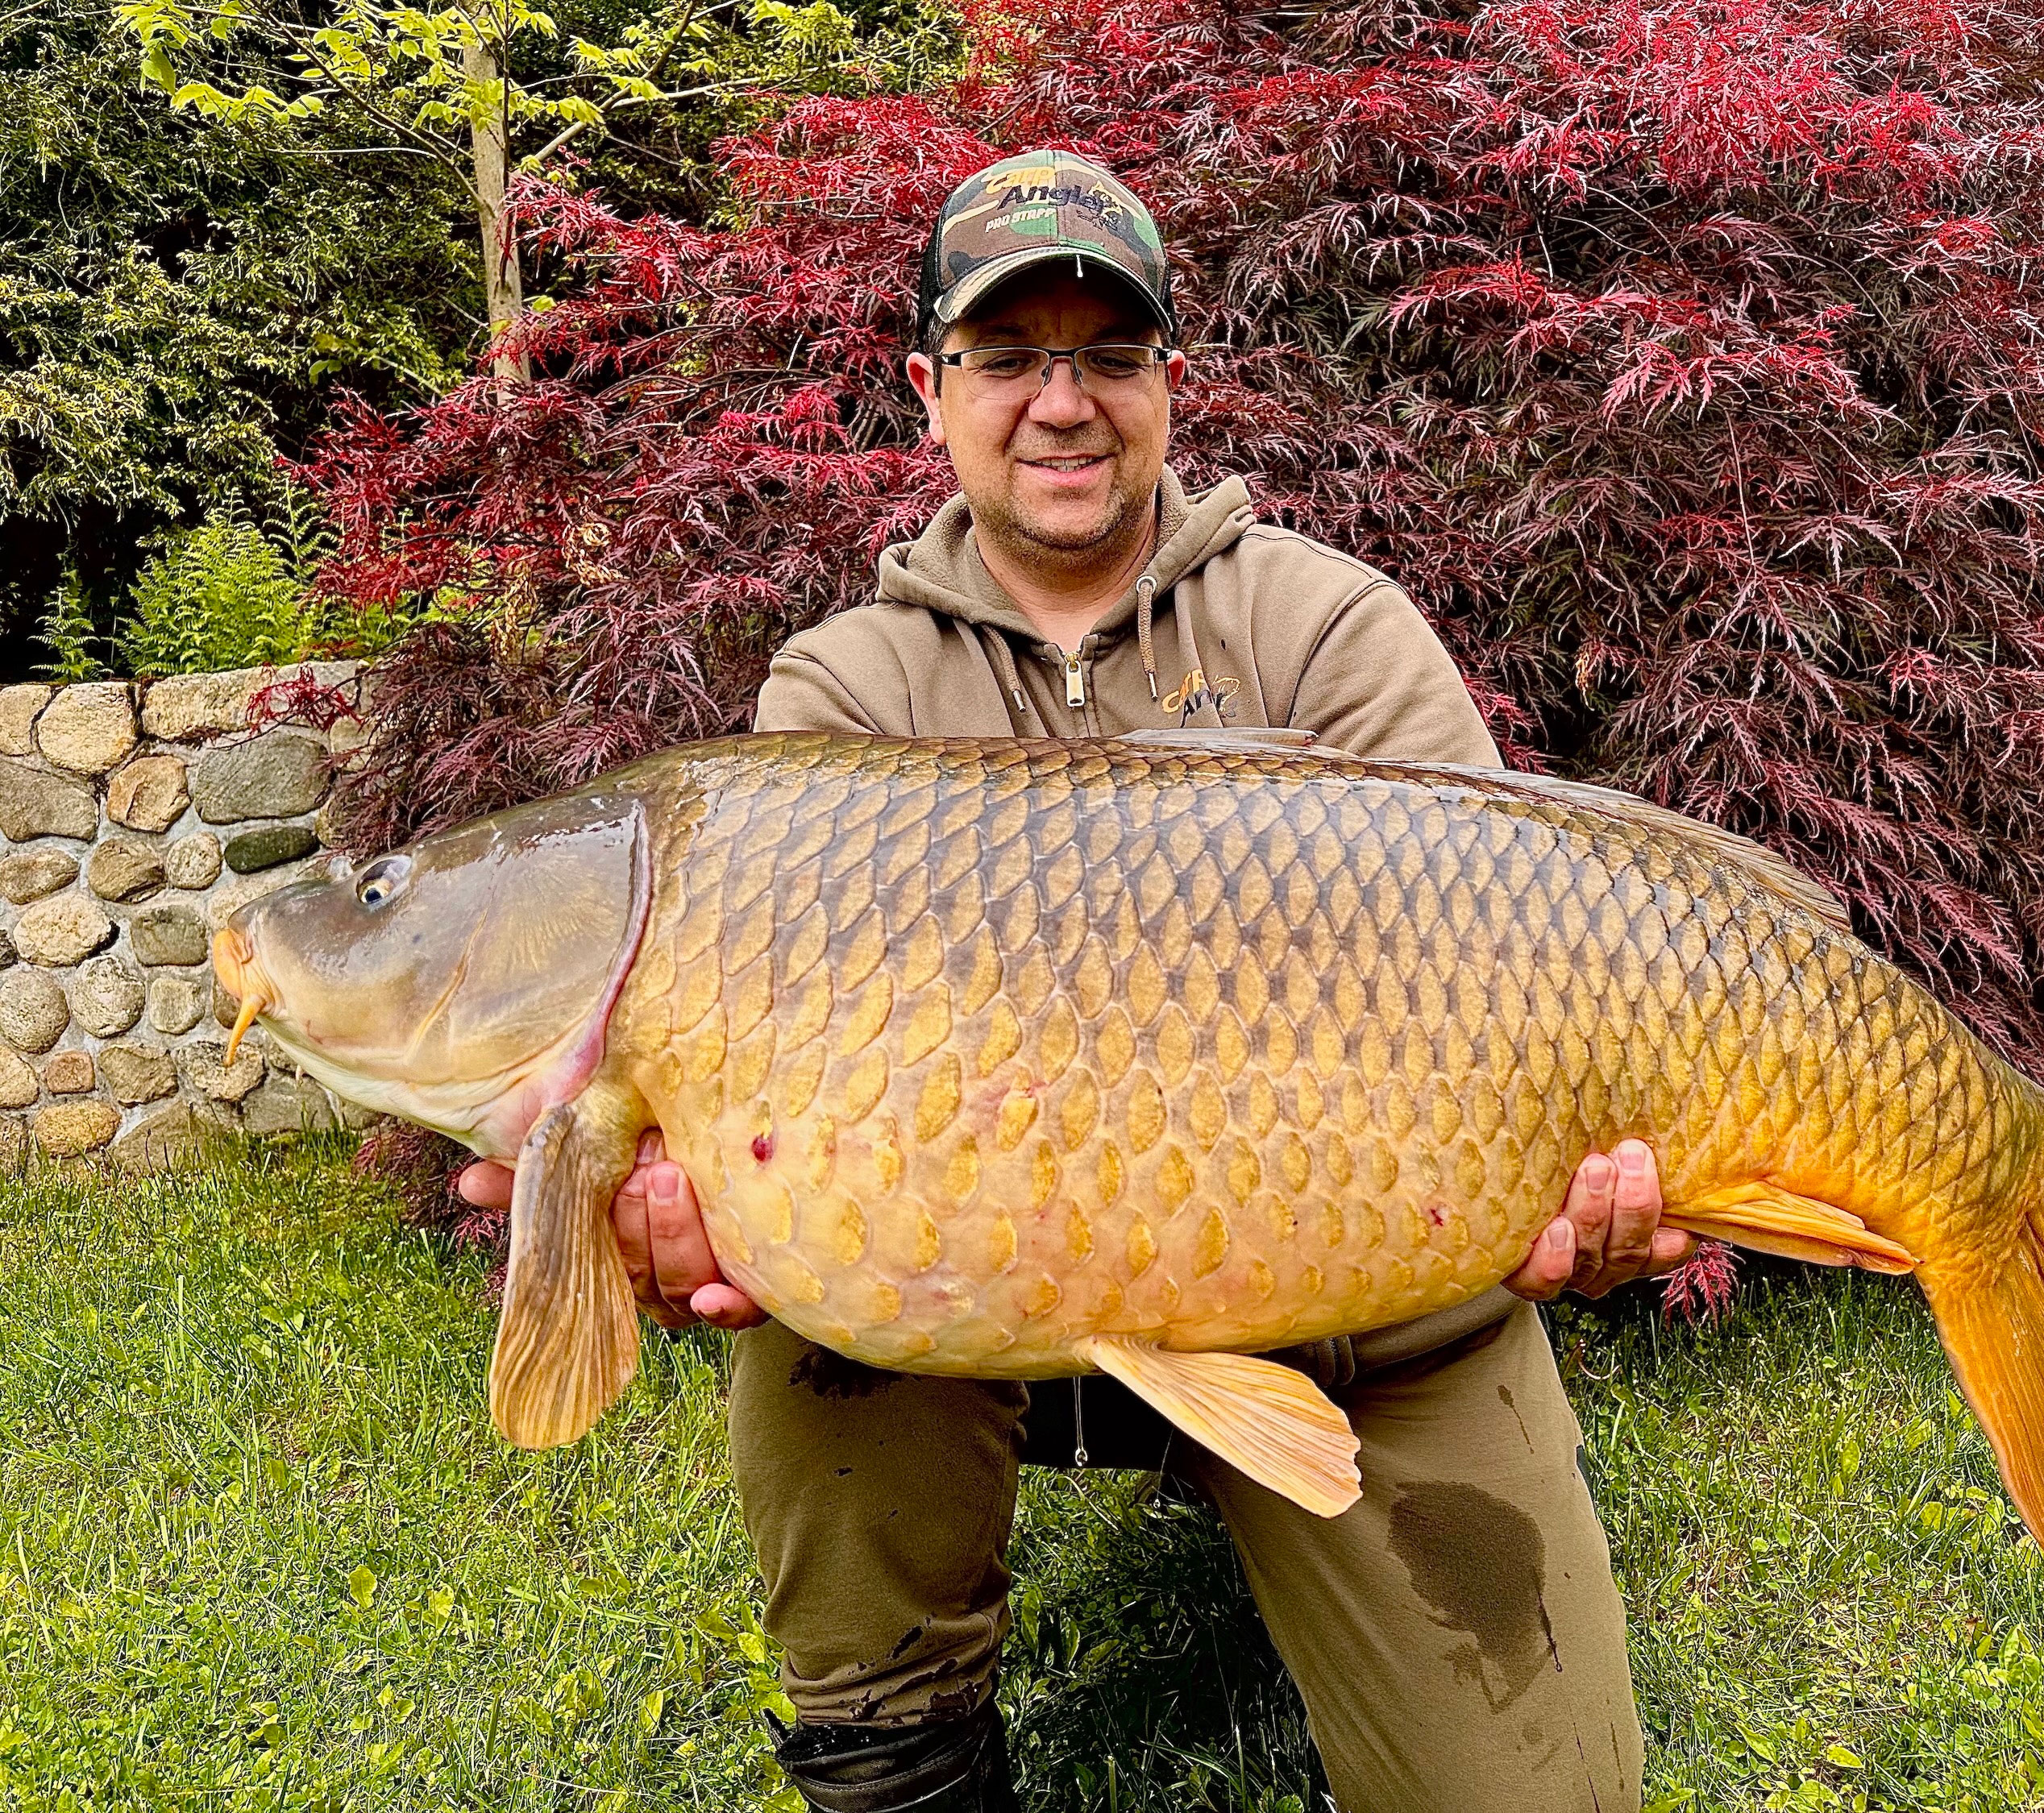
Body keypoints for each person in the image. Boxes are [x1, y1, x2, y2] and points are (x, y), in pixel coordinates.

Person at [456, 151, 1696, 1813]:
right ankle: (898, 1755)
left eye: (1109, 355)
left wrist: (1589, 1199)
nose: (1062, 402)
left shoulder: (1333, 635)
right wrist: (674, 1210)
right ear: (930, 390)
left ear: (1169, 384)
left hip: (1361, 1319)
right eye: (1007, 355)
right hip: (961, 1338)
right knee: (825, 1306)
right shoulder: (845, 692)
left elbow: (1535, 957)